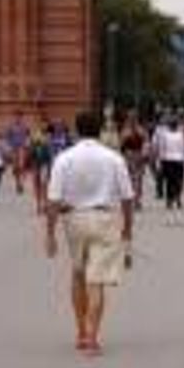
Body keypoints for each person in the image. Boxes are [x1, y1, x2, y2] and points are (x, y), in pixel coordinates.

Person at [45, 110, 134, 355]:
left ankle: (81, 332)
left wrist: (50, 234)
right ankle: (93, 336)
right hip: (105, 218)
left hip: (74, 218)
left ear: (76, 130)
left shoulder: (64, 158)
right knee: (97, 281)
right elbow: (127, 198)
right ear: (101, 131)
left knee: (78, 274)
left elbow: (52, 200)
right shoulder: (113, 158)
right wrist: (128, 230)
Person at [158, 116, 184, 214]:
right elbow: (183, 147)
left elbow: (162, 148)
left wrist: (161, 160)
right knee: (178, 180)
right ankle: (177, 198)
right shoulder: (181, 135)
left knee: (170, 181)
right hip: (178, 159)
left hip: (168, 159)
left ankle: (170, 200)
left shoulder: (165, 135)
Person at [120, 114, 148, 210]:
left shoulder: (130, 131)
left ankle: (136, 200)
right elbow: (122, 145)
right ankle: (135, 200)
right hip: (132, 156)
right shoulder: (137, 130)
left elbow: (122, 145)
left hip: (134, 155)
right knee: (134, 179)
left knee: (136, 179)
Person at [26, 121, 52, 216]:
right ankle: (39, 204)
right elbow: (29, 149)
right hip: (35, 164)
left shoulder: (50, 137)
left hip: (44, 164)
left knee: (44, 185)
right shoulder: (35, 136)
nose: (43, 126)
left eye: (44, 124)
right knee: (37, 184)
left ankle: (44, 204)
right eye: (41, 124)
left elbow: (51, 154)